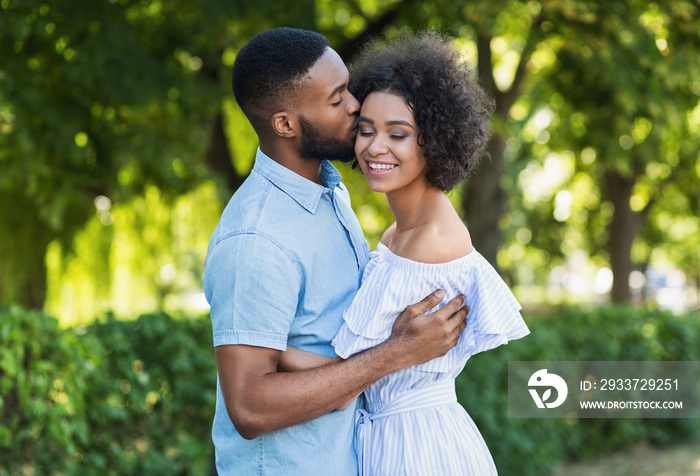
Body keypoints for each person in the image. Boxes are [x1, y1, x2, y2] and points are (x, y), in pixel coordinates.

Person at [202, 27, 469, 475]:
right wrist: (395, 354)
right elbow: (249, 408)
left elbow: (335, 345)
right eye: (337, 98)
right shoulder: (256, 239)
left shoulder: (328, 192)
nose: (355, 105)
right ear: (285, 124)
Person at [279, 31, 530, 475]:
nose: (375, 148)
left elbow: (348, 372)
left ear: (434, 141)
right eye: (366, 130)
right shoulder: (401, 231)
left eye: (398, 134)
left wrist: (262, 341)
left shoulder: (428, 241)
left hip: (417, 448)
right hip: (390, 434)